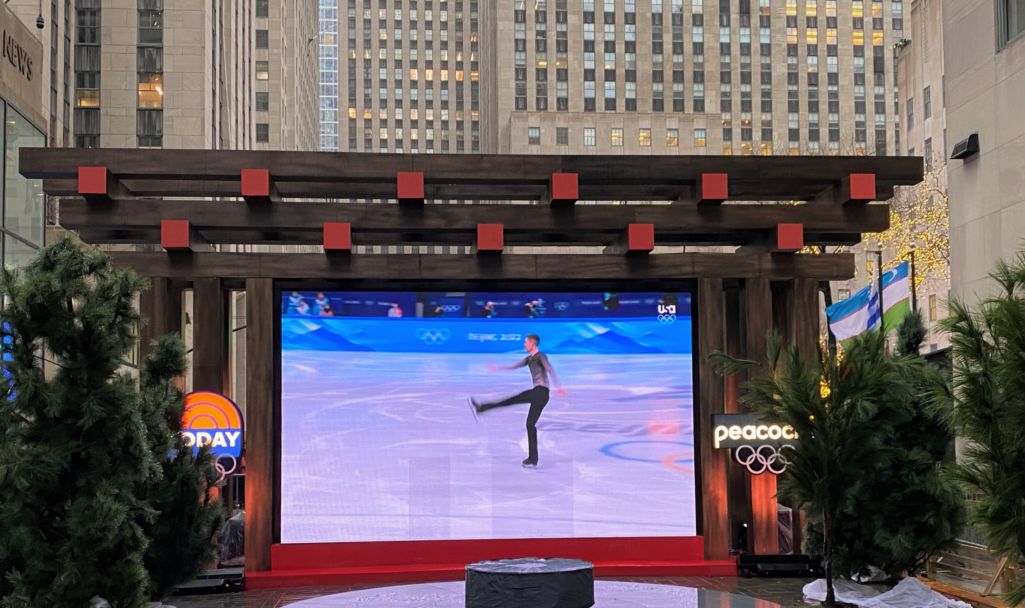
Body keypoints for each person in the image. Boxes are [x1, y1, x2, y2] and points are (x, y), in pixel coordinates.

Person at [467, 334, 565, 468]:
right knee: (530, 424)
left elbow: (548, 368)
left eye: (526, 342)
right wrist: (498, 368)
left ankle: (481, 408)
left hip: (540, 392)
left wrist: (558, 386)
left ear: (532, 343)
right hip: (540, 394)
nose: (524, 344)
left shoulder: (540, 356)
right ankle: (533, 459)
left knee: (511, 401)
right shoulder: (529, 359)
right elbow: (514, 366)